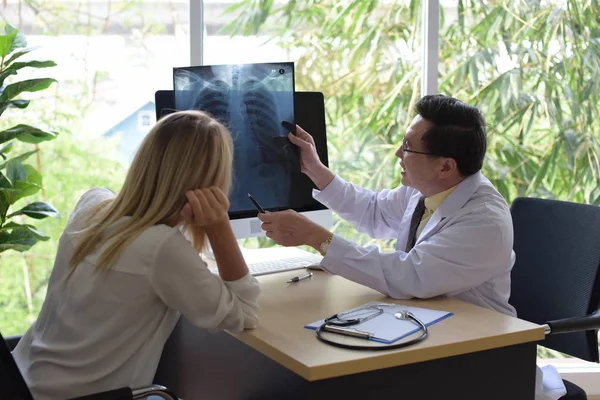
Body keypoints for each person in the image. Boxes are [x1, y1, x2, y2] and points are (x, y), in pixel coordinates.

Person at [259, 94, 566, 400]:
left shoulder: (484, 221)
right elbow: (373, 212)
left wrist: (319, 238)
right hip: (423, 331)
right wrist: (314, 169)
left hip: (478, 354)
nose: (397, 153)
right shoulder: (426, 191)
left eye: (407, 147)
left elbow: (408, 276)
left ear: (445, 167)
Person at [12, 110, 261, 400]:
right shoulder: (161, 248)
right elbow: (245, 314)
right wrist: (219, 228)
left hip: (21, 383)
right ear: (207, 185)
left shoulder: (92, 204)